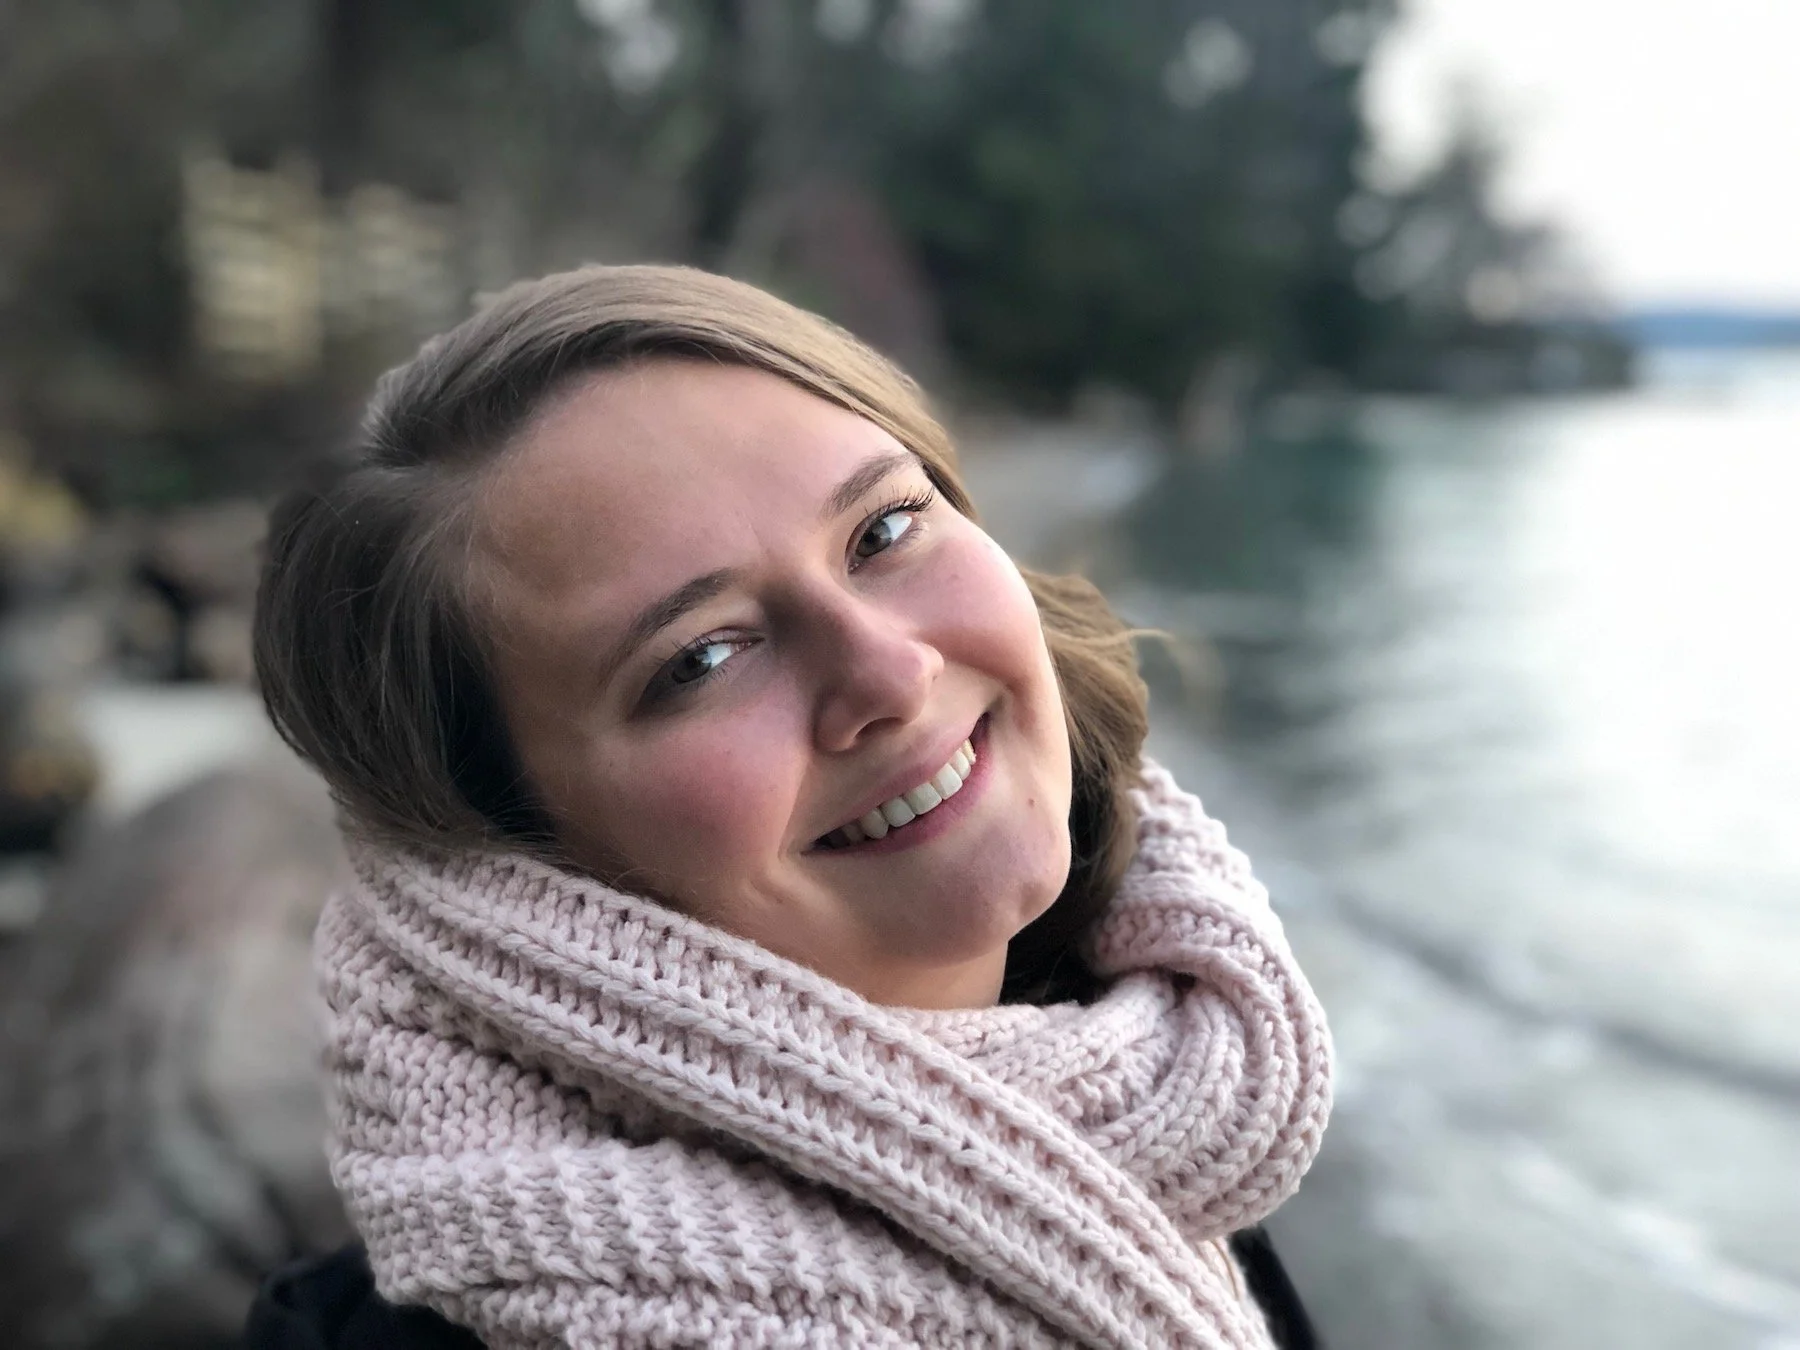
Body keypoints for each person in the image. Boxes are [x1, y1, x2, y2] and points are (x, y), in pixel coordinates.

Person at [245, 264, 1333, 1349]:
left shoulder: (1158, 1108)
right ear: (512, 855)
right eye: (704, 656)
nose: (891, 675)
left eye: (883, 531)